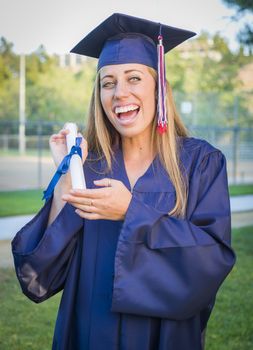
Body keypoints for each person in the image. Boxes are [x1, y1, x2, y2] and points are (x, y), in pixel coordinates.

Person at [12, 13, 236, 350]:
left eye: (134, 78)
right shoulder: (89, 168)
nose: (119, 93)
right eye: (108, 82)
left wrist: (131, 212)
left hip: (166, 338)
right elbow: (38, 278)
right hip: (90, 336)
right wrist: (65, 182)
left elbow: (211, 262)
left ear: (159, 88)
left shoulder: (200, 163)